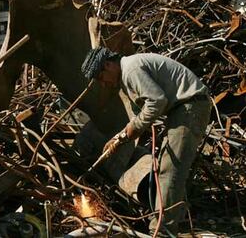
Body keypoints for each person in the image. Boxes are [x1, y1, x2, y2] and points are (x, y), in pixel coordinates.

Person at [81, 47, 212, 236]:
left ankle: (161, 231)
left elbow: (157, 101)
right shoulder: (128, 72)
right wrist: (121, 136)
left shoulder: (131, 70)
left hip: (189, 108)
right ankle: (176, 218)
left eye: (101, 78)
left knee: (170, 169)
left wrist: (132, 130)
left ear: (108, 65)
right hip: (184, 109)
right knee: (168, 167)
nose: (104, 84)